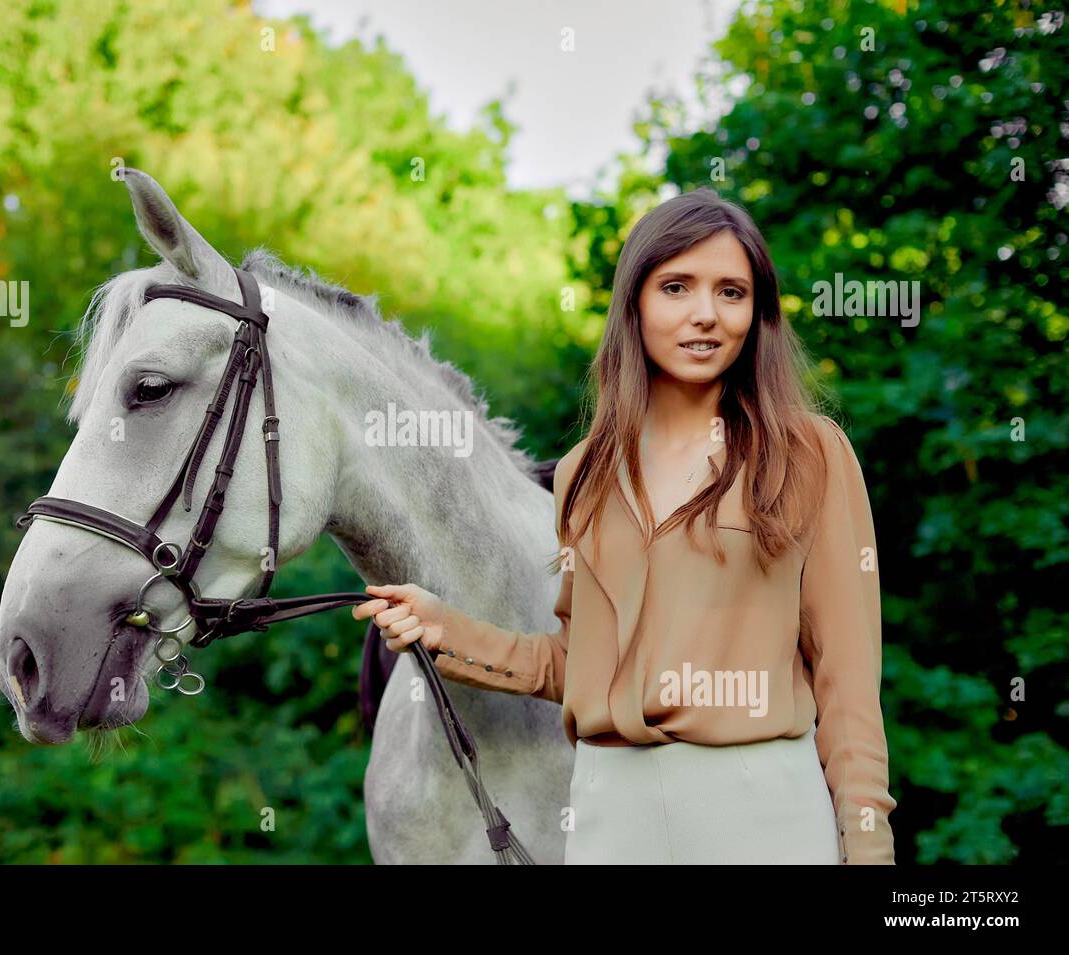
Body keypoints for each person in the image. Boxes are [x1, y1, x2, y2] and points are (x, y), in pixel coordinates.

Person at [352, 188, 897, 865]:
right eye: (677, 286)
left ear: (757, 313)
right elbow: (574, 664)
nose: (706, 313)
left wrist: (868, 840)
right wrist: (446, 629)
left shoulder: (810, 455)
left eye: (732, 291)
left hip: (762, 814)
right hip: (612, 817)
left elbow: (847, 680)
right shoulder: (586, 471)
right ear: (635, 305)